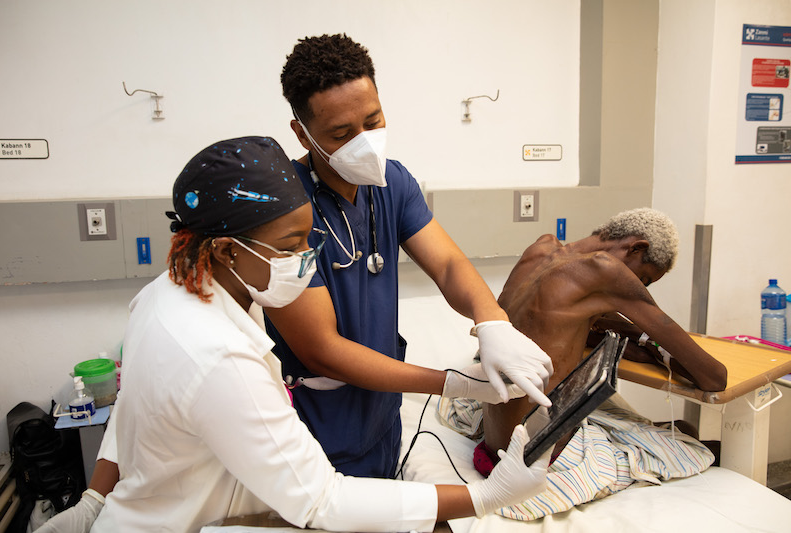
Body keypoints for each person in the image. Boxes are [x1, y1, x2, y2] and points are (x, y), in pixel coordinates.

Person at [37, 137, 552, 533]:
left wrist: (96, 500)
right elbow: (322, 499)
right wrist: (487, 498)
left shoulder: (165, 293)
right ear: (225, 250)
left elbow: (132, 404)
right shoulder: (219, 358)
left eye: (309, 238)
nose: (307, 257)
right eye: (289, 246)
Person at [263, 33, 554, 480]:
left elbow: (448, 264)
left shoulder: (392, 183)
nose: (363, 141)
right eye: (341, 134)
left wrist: (491, 319)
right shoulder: (285, 210)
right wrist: (452, 383)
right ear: (302, 133)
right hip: (317, 430)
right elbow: (322, 350)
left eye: (372, 121)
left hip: (382, 419)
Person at [479, 207, 728, 459]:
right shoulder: (605, 269)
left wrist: (637, 341)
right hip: (534, 449)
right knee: (687, 433)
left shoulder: (540, 250)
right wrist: (649, 345)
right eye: (643, 279)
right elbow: (714, 378)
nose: (639, 286)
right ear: (636, 248)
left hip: (494, 436)